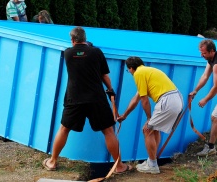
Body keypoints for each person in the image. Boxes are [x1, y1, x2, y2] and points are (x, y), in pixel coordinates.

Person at [42, 26, 132, 174]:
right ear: (85, 38)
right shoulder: (96, 52)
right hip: (96, 97)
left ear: (72, 40)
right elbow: (104, 76)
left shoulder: (68, 53)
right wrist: (110, 90)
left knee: (64, 129)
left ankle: (52, 162)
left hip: (74, 97)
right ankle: (119, 166)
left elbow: (80, 53)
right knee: (109, 131)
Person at [117, 56, 183, 174]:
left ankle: (152, 165)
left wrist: (148, 118)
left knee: (147, 129)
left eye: (129, 70)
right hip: (176, 99)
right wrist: (124, 115)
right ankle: (151, 161)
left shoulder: (138, 73)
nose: (130, 73)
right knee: (154, 130)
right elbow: (136, 99)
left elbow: (144, 100)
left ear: (131, 68)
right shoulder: (147, 71)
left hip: (167, 100)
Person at [189, 39, 217, 156]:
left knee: (215, 118)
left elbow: (216, 86)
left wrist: (205, 99)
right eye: (201, 53)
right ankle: (211, 147)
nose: (201, 55)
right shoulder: (210, 60)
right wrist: (195, 91)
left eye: (204, 53)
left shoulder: (216, 65)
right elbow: (205, 76)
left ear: (211, 51)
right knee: (215, 118)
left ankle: (211, 147)